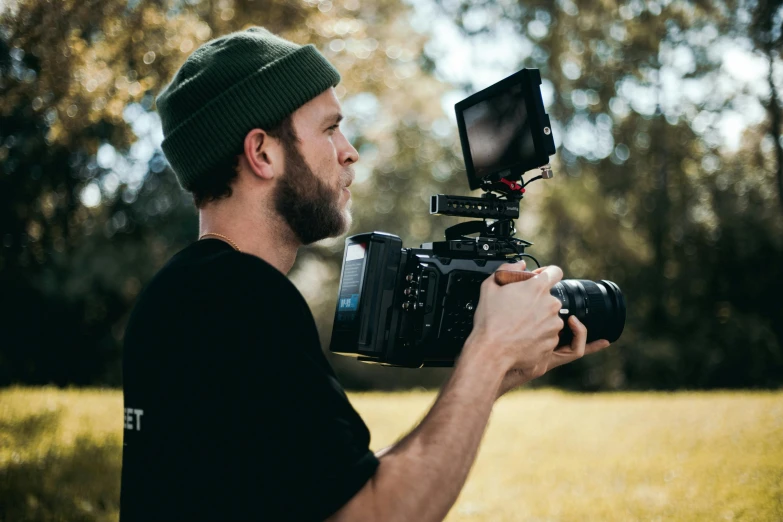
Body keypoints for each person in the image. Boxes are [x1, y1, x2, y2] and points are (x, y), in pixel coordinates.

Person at [119, 26, 611, 522]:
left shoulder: (176, 294)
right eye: (330, 128)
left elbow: (315, 492)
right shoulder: (245, 300)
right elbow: (369, 514)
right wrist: (489, 351)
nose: (349, 151)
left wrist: (499, 372)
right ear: (262, 153)